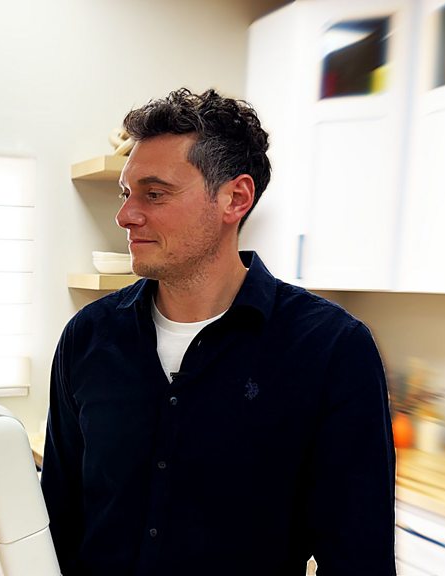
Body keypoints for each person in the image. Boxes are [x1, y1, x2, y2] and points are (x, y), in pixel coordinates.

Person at [41, 88, 396, 575]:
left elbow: (359, 559)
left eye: (154, 193)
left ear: (235, 198)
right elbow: (56, 526)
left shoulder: (332, 350)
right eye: (127, 194)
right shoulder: (86, 337)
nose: (125, 215)